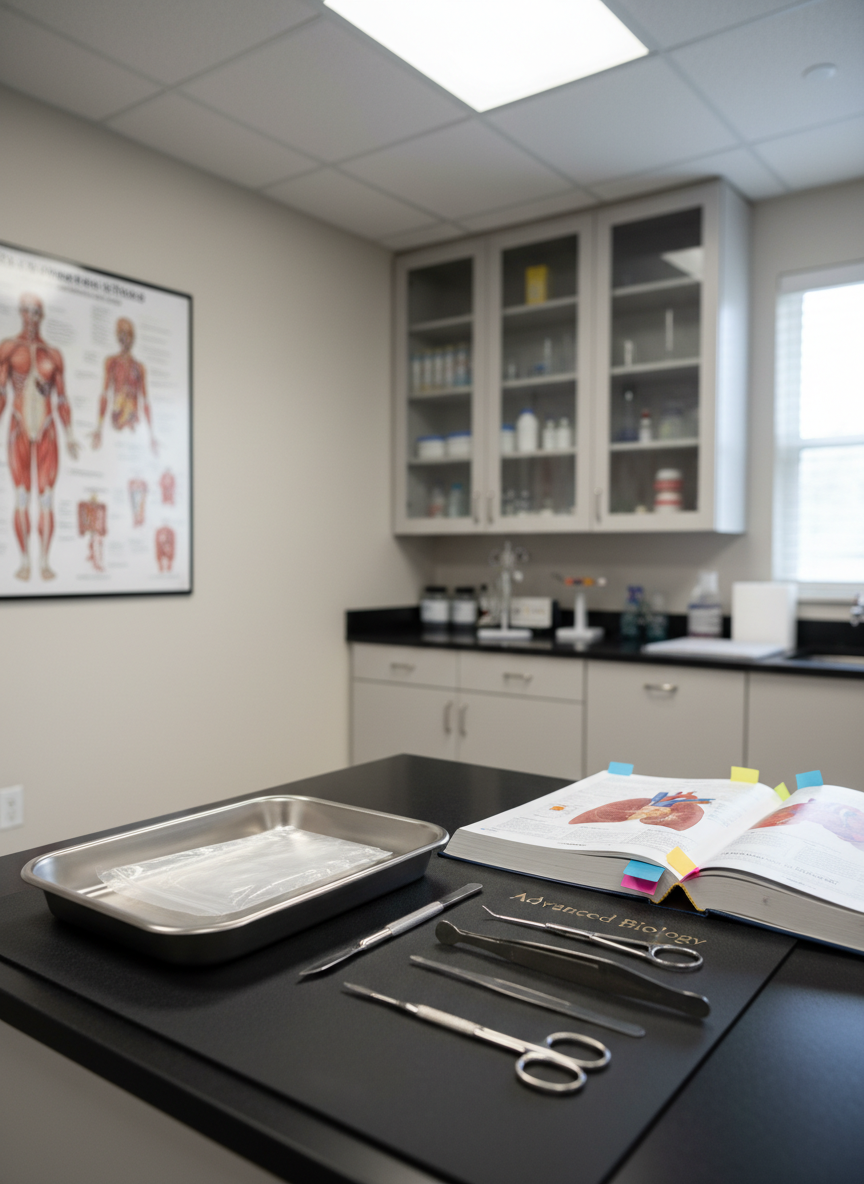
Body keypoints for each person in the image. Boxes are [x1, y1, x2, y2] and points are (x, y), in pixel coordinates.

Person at [0, 294, 80, 580]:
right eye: (27, 311)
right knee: (22, 497)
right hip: (19, 427)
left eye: (36, 312)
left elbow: (62, 399)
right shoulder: (9, 348)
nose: (31, 317)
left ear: (42, 315)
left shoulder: (53, 355)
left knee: (46, 498)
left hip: (47, 429)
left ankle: (44, 562)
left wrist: (69, 434)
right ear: (21, 313)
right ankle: (24, 562)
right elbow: (1, 393)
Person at [91, 317, 157, 453]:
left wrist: (151, 435)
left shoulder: (139, 367)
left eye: (127, 334)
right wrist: (99, 428)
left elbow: (145, 401)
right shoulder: (112, 362)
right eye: (121, 334)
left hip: (133, 425)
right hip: (116, 423)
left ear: (133, 338)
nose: (124, 338)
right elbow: (104, 394)